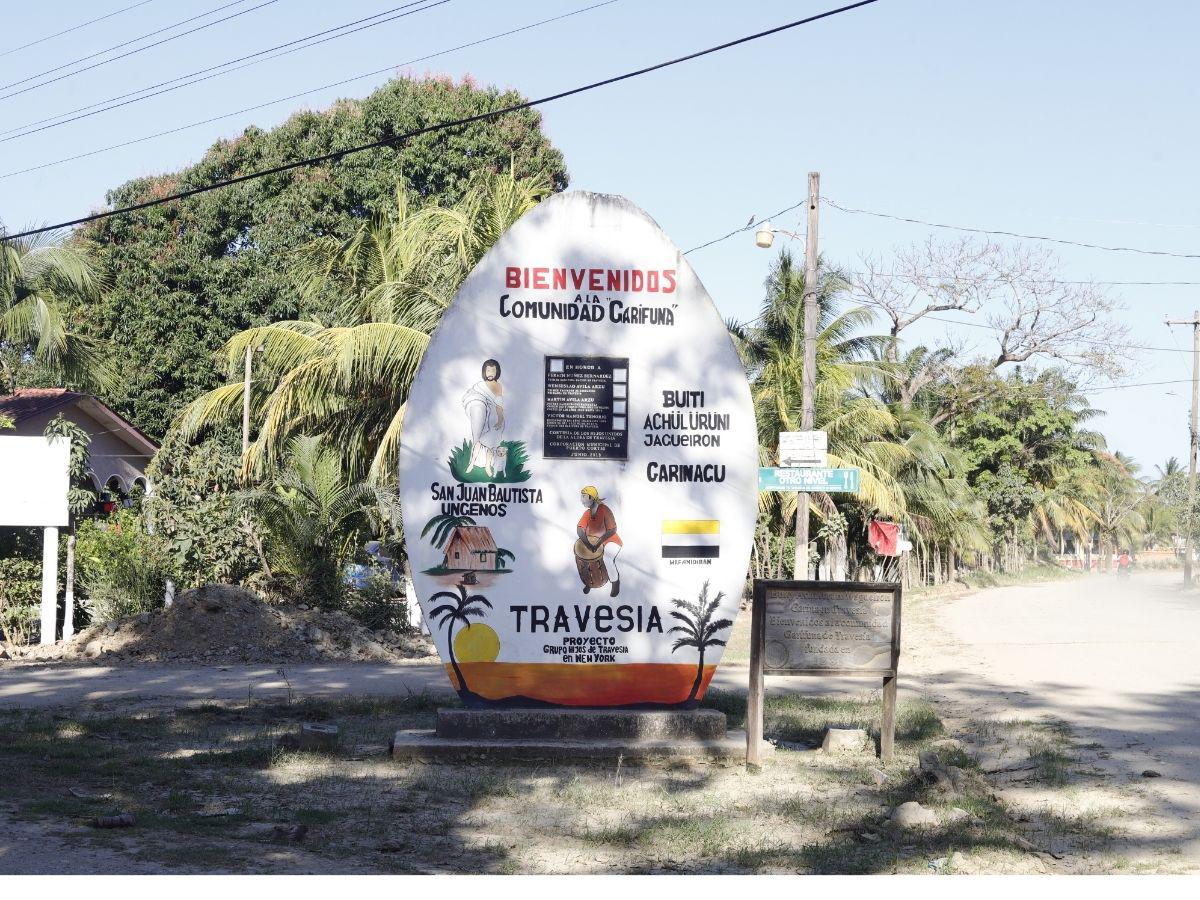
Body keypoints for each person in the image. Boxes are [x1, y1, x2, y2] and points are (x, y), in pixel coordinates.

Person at [461, 358, 505, 476]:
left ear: (497, 372)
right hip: (486, 416)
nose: (490, 373)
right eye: (488, 370)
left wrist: (500, 420)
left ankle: (487, 466)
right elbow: (471, 395)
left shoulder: (498, 386)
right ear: (484, 372)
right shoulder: (480, 385)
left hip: (495, 419)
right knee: (479, 442)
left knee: (491, 444)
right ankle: (472, 462)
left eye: (493, 370)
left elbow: (499, 404)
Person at [577, 485, 622, 597]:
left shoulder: (605, 510)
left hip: (611, 541)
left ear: (591, 497)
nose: (581, 500)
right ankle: (589, 582)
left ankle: (615, 583)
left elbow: (612, 530)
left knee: (607, 558)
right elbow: (580, 529)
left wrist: (598, 543)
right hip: (595, 543)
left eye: (584, 496)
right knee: (584, 559)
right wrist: (587, 544)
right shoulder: (587, 513)